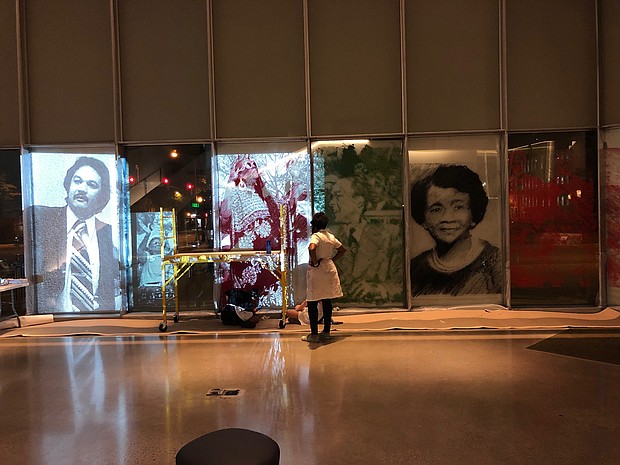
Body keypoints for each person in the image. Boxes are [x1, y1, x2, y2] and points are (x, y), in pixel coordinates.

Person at [26, 156, 118, 312]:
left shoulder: (107, 234)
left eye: (92, 185)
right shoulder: (42, 219)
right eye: (77, 181)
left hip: (99, 319)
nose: (82, 188)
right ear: (68, 185)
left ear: (101, 195)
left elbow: (109, 287)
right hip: (52, 322)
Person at [410, 164, 501, 297]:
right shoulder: (415, 268)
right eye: (436, 209)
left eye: (458, 207)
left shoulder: (494, 262)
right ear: (423, 219)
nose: (447, 218)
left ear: (474, 214)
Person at [302, 212, 347, 342]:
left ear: (314, 225)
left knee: (312, 301)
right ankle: (326, 331)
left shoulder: (316, 236)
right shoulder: (330, 237)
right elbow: (342, 249)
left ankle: (314, 334)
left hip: (317, 271)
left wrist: (315, 261)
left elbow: (312, 248)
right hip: (329, 268)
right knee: (327, 300)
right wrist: (332, 259)